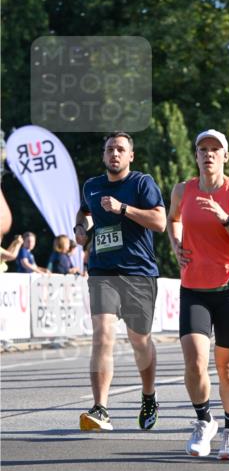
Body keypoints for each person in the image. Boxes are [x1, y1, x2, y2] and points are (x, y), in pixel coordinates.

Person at [168, 129, 229, 459]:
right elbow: (173, 219)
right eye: (202, 149)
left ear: (225, 156)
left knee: (228, 368)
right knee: (194, 362)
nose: (208, 154)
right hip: (194, 287)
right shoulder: (183, 190)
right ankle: (204, 421)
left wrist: (225, 219)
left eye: (215, 149)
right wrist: (176, 246)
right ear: (196, 155)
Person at [76, 131, 166, 431]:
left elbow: (160, 222)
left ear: (131, 156)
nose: (115, 154)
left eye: (120, 149)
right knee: (102, 335)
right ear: (103, 155)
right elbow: (85, 212)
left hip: (138, 272)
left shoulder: (141, 183)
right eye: (110, 149)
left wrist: (123, 209)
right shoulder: (92, 185)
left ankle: (149, 395)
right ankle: (101, 408)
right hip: (102, 271)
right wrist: (81, 227)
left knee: (139, 341)